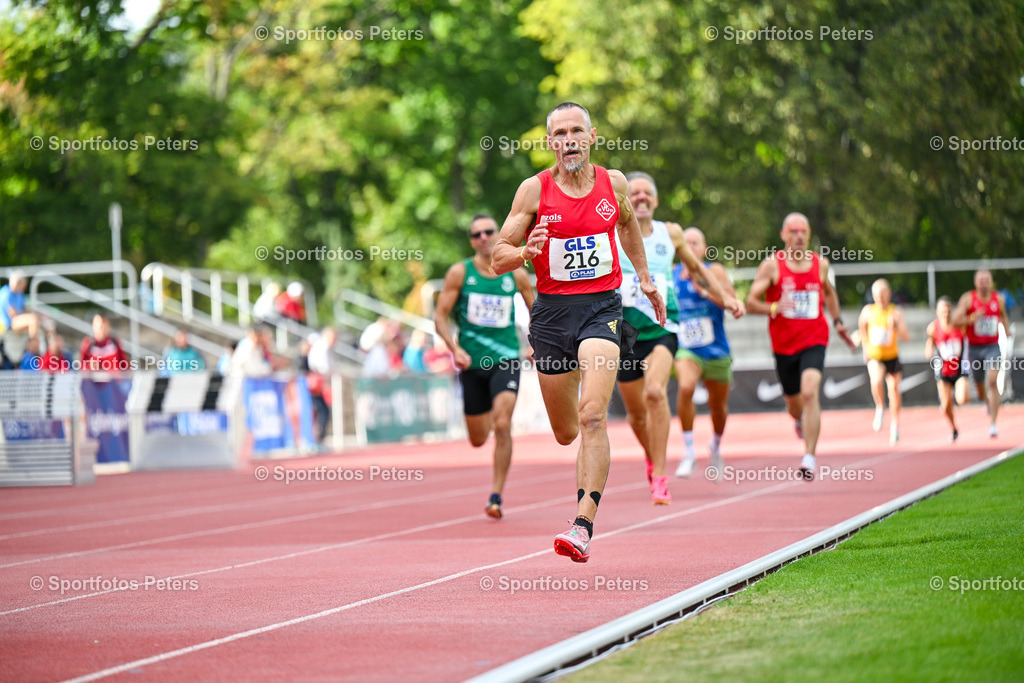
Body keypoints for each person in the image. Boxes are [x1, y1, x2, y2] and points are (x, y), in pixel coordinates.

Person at [492, 102, 667, 562]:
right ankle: (582, 497)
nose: (569, 140)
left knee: (593, 416)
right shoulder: (533, 192)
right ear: (551, 142)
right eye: (560, 134)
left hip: (601, 309)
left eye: (576, 131)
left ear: (592, 136)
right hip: (551, 314)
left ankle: (583, 524)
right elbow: (497, 257)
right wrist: (525, 252)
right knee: (567, 431)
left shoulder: (614, 183)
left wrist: (644, 277)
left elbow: (628, 225)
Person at [615, 176, 742, 502]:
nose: (641, 197)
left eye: (647, 193)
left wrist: (726, 297)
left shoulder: (669, 233)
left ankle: (659, 475)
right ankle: (652, 456)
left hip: (663, 329)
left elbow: (699, 269)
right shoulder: (610, 231)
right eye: (635, 193)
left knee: (656, 392)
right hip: (623, 334)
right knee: (636, 414)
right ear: (626, 199)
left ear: (656, 201)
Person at [435, 213, 535, 519]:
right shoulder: (459, 273)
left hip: (506, 358)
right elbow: (440, 316)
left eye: (488, 231)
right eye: (476, 234)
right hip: (472, 362)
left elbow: (538, 310)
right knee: (478, 439)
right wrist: (455, 348)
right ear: (471, 241)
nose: (483, 238)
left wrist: (536, 343)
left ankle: (496, 496)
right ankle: (489, 411)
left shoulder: (515, 273)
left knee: (503, 425)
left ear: (498, 233)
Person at [746, 213, 851, 480]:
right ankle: (797, 420)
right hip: (784, 345)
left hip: (814, 338)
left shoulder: (821, 265)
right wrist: (773, 306)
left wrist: (838, 322)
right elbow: (750, 302)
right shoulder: (772, 266)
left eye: (803, 231)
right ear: (783, 235)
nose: (799, 236)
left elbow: (828, 292)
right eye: (793, 231)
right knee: (794, 404)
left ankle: (809, 457)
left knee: (809, 393)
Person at [673, 227, 744, 479]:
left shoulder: (714, 271)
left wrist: (703, 288)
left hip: (716, 350)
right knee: (685, 387)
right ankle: (689, 450)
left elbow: (731, 300)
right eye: (686, 242)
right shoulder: (671, 275)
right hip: (687, 350)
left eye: (695, 242)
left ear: (704, 249)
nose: (690, 246)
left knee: (718, 408)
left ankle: (714, 444)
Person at [953, 269, 1010, 438]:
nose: (984, 282)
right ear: (976, 283)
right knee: (980, 389)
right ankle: (986, 401)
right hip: (974, 348)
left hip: (993, 346)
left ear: (991, 282)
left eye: (987, 279)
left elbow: (1003, 316)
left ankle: (993, 423)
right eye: (981, 280)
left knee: (992, 381)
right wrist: (972, 318)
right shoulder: (968, 298)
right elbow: (955, 321)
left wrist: (1006, 330)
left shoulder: (998, 299)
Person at [857, 279, 910, 445]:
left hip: (892, 356)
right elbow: (862, 328)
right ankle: (880, 407)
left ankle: (895, 424)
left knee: (894, 390)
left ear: (889, 294)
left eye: (882, 294)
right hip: (875, 356)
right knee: (876, 380)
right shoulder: (868, 311)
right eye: (876, 295)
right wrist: (865, 347)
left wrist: (896, 327)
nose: (879, 298)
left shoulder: (896, 312)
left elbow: (906, 337)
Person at [925, 297, 966, 442]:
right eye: (943, 310)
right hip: (943, 370)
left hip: (959, 368)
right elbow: (928, 352)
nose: (946, 313)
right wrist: (930, 343)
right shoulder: (933, 328)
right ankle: (954, 428)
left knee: (962, 399)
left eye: (948, 310)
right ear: (938, 312)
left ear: (951, 310)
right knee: (945, 406)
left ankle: (955, 393)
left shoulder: (959, 325)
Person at [307, 327, 338, 444]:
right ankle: (317, 438)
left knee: (322, 411)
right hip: (316, 385)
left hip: (320, 384)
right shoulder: (321, 347)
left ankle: (318, 438)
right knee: (320, 411)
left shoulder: (326, 348)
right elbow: (323, 367)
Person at [0, 271, 42, 339]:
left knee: (40, 319)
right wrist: (29, 316)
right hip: (7, 323)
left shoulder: (19, 294)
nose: (24, 287)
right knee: (32, 320)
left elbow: (24, 309)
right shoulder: (6, 293)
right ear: (18, 282)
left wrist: (37, 315)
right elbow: (13, 314)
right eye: (23, 284)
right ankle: (33, 343)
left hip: (16, 320)